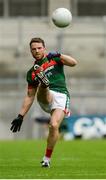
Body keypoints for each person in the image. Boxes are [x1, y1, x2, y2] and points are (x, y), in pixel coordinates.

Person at [10, 37, 77, 168]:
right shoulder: (31, 73)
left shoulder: (55, 59)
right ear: (30, 52)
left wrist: (59, 54)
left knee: (53, 125)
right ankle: (44, 84)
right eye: (33, 49)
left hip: (62, 96)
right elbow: (30, 96)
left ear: (44, 48)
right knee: (43, 87)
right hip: (45, 97)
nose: (36, 51)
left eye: (39, 48)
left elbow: (74, 63)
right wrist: (20, 116)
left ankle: (46, 159)